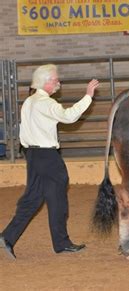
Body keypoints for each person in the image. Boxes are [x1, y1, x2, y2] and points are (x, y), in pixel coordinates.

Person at [0, 64, 99, 259]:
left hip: (33, 156)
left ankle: (7, 237)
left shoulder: (29, 101)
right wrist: (88, 95)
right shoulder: (45, 103)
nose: (58, 83)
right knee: (58, 199)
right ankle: (61, 243)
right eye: (55, 80)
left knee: (33, 198)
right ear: (45, 82)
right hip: (48, 157)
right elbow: (69, 117)